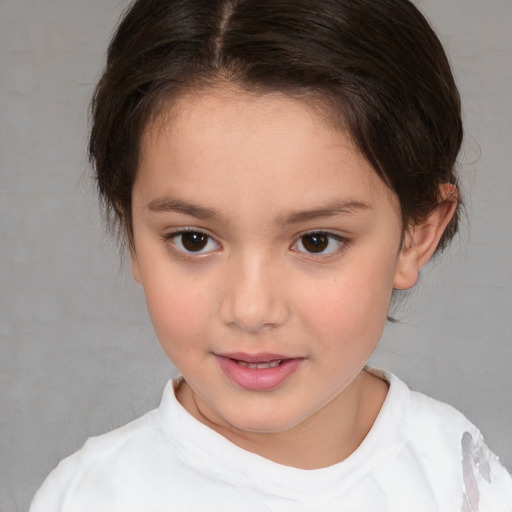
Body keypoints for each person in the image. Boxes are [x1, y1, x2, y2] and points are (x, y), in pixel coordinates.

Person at [30, 0, 512, 510]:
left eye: (316, 241)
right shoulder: (90, 496)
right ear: (131, 232)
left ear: (417, 234)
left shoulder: (455, 473)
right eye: (193, 240)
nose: (251, 310)